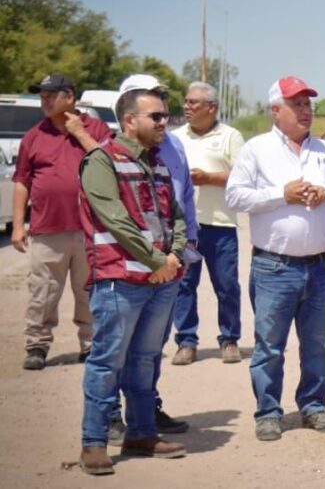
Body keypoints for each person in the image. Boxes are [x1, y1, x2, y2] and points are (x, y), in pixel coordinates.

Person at [225, 75, 325, 442]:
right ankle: (268, 412)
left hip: (320, 266)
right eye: (296, 104)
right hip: (274, 267)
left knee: (319, 343)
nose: (305, 111)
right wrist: (280, 194)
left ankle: (313, 406)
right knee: (270, 345)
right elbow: (235, 197)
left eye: (307, 104)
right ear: (276, 110)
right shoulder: (256, 150)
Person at [77, 84, 189, 475]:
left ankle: (141, 433)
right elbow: (116, 221)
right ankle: (93, 442)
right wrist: (160, 260)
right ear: (129, 120)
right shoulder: (100, 161)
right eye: (156, 116)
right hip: (119, 280)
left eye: (165, 116)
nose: (165, 123)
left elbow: (175, 214)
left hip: (161, 280)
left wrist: (174, 255)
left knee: (144, 360)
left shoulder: (157, 161)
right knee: (107, 361)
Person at [13, 73, 111, 370]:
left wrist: (80, 133)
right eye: (42, 95)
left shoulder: (96, 128)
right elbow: (22, 182)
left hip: (89, 228)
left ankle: (91, 344)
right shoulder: (34, 135)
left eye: (51, 95)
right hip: (47, 229)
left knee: (89, 291)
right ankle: (37, 345)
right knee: (43, 292)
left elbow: (109, 164)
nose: (44, 100)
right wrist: (19, 224)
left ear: (70, 96)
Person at [170, 81, 246, 366]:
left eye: (194, 103)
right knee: (184, 284)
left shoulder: (230, 136)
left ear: (211, 107)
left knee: (226, 285)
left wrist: (208, 179)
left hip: (220, 224)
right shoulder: (175, 137)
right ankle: (186, 342)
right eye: (186, 102)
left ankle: (229, 339)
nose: (187, 107)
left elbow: (243, 175)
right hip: (185, 226)